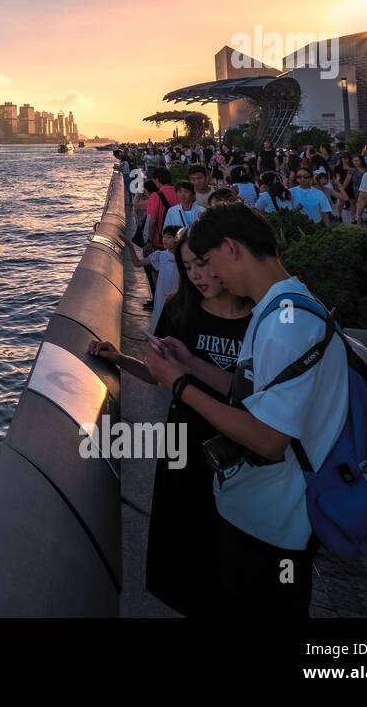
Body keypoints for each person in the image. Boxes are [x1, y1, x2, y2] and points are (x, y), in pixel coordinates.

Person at [142, 204, 349, 616]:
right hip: (260, 513)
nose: (211, 277)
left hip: (274, 521)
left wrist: (178, 385)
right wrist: (191, 365)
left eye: (211, 263)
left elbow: (268, 440)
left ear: (231, 248)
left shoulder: (284, 325)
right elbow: (252, 393)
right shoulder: (283, 305)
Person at [89, 226, 253, 616]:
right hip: (186, 443)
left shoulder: (259, 318)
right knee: (184, 538)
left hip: (244, 449)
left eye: (202, 264)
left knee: (232, 545)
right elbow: (158, 372)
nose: (196, 275)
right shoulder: (181, 310)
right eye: (187, 266)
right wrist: (120, 359)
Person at [127, 224, 180, 333]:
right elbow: (138, 263)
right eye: (163, 236)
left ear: (176, 239)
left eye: (169, 237)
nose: (165, 239)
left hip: (176, 298)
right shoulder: (159, 255)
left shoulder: (183, 258)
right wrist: (130, 246)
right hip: (162, 298)